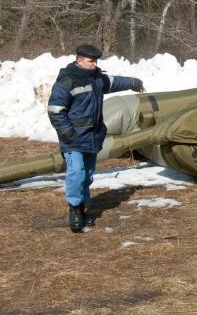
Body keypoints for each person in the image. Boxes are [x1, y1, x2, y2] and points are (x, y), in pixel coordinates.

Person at [47, 44, 144, 233]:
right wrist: (68, 134)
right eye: (91, 61)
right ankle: (74, 209)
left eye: (96, 61)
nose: (94, 64)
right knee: (76, 172)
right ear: (79, 60)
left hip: (93, 137)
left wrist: (134, 83)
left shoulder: (98, 79)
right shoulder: (67, 81)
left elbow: (115, 82)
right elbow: (55, 111)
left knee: (87, 175)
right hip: (74, 139)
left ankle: (83, 208)